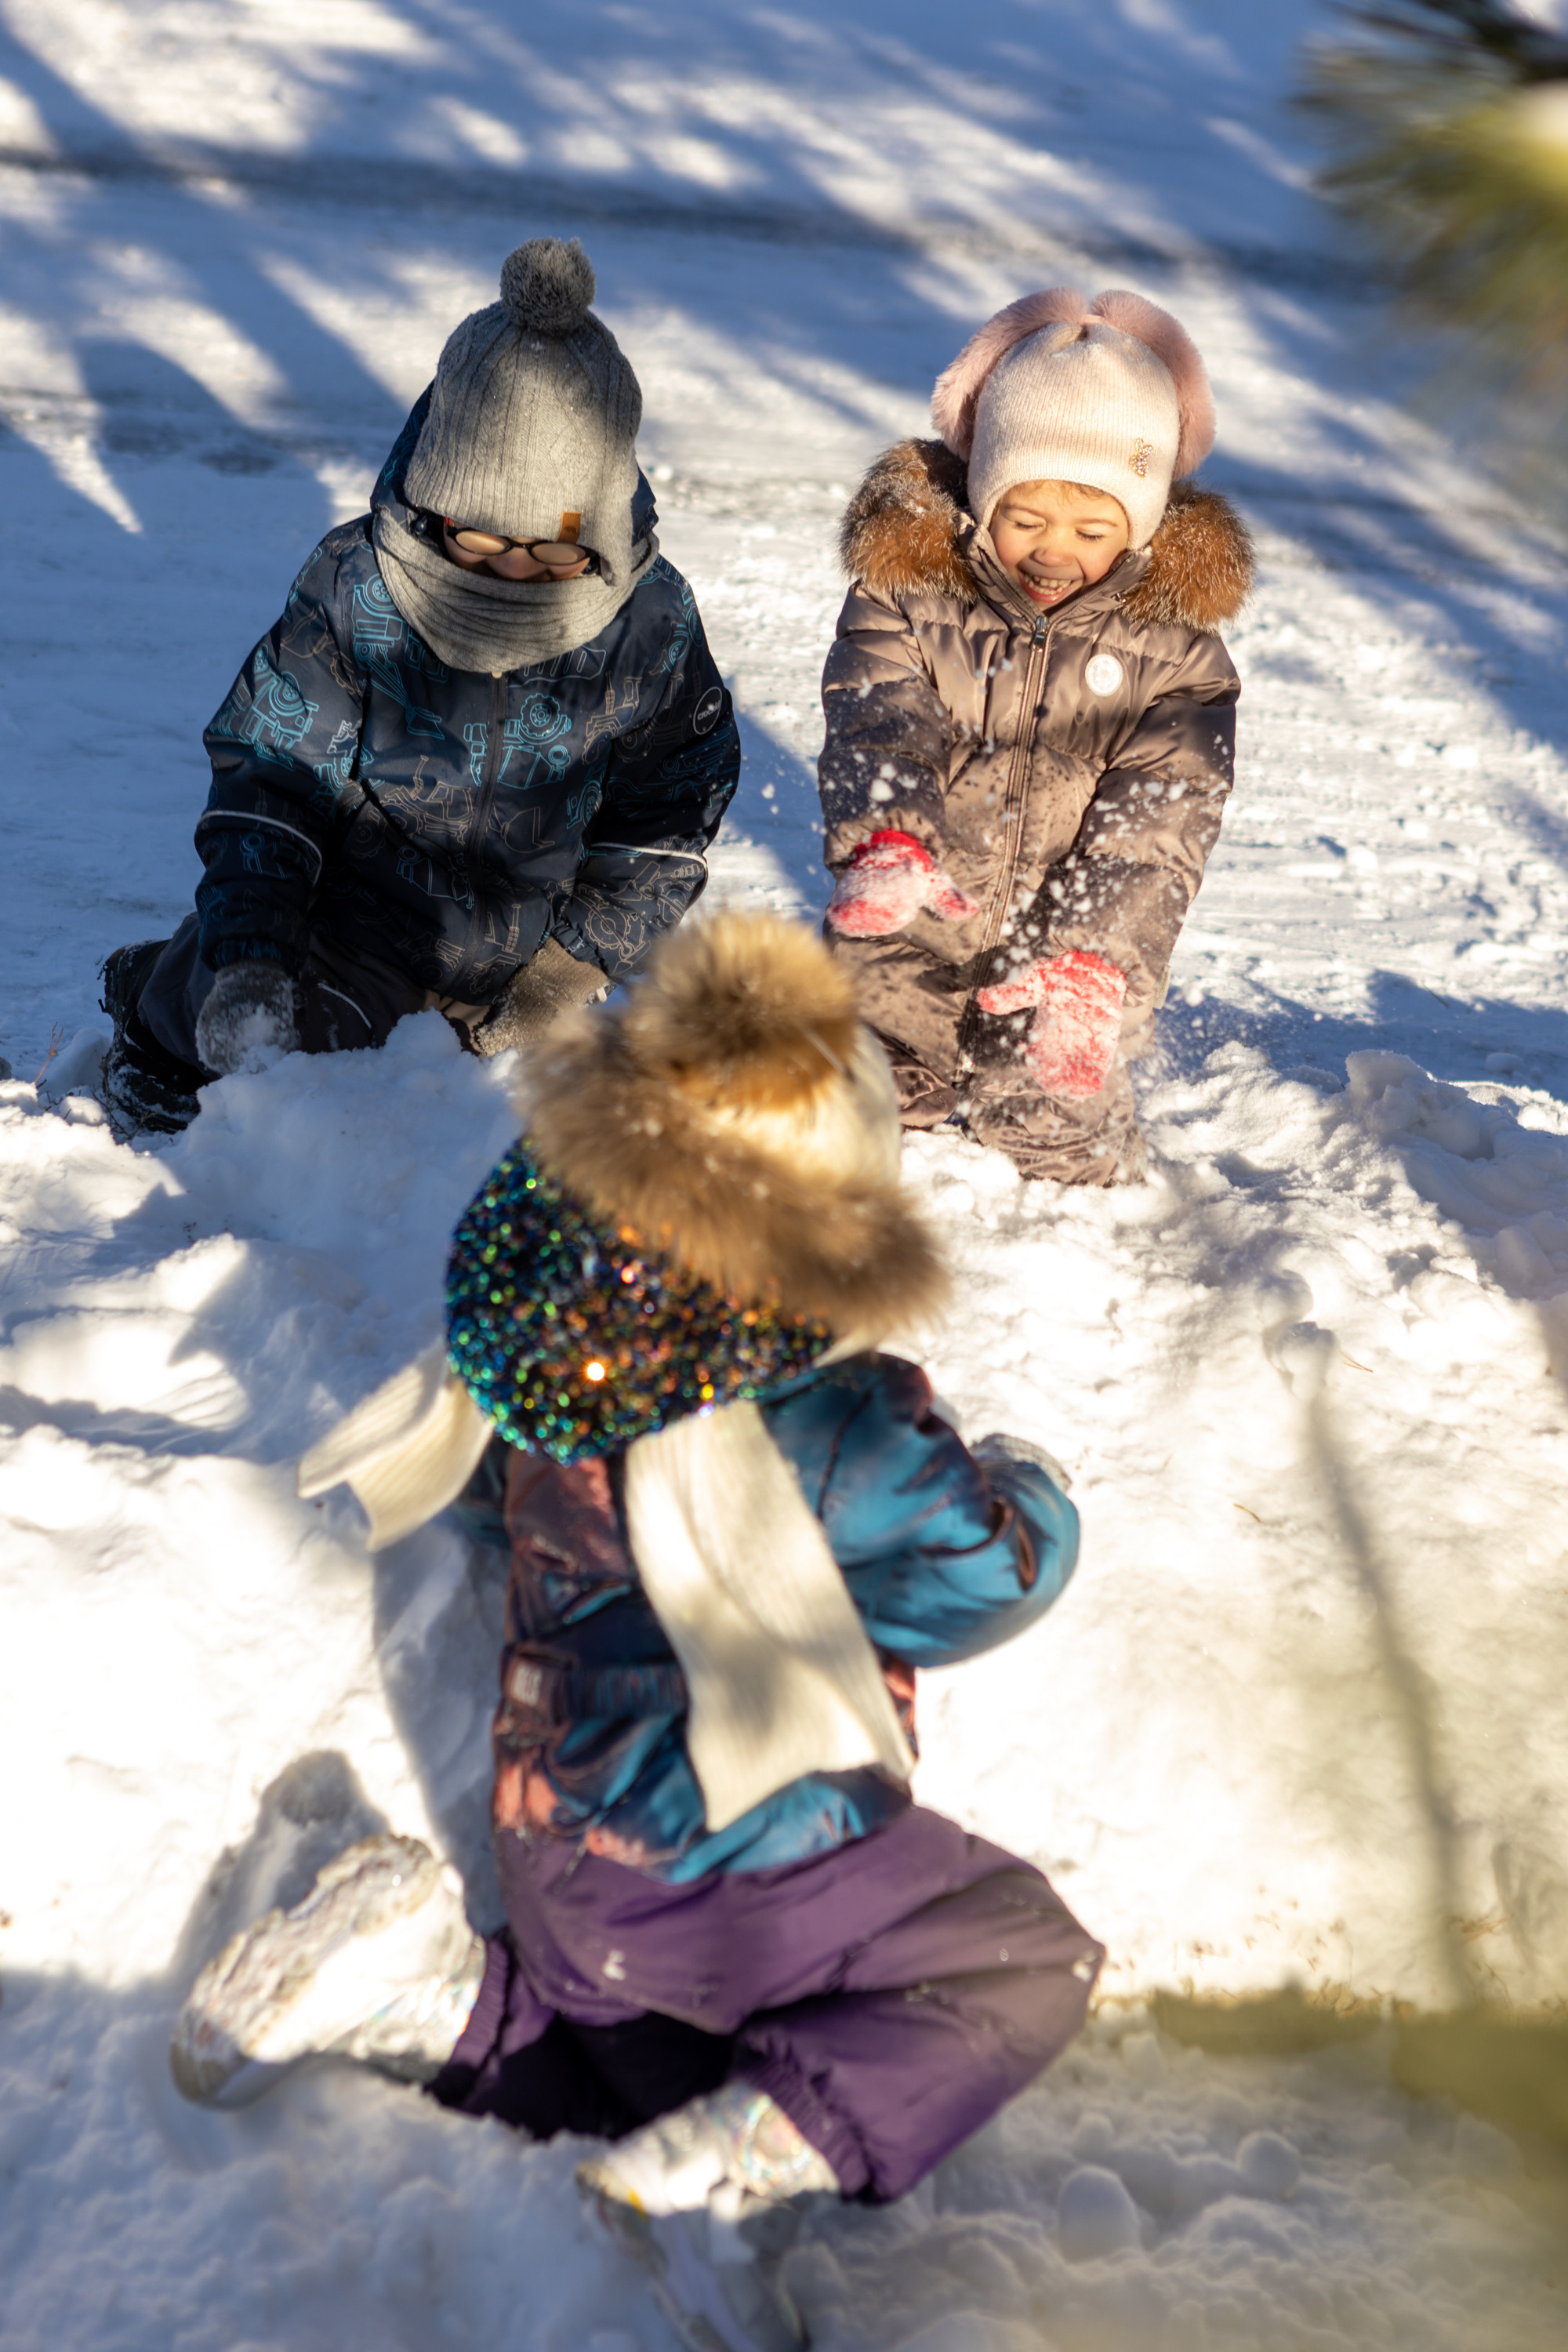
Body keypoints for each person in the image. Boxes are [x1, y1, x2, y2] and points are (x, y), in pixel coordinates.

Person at [169, 913, 1103, 2352]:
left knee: (628, 2066)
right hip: (743, 1856)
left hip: (566, 1863)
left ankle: (433, 1992)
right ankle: (724, 2191)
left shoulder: (554, 1369)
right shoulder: (834, 1421)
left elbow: (485, 1515)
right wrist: (1026, 1477)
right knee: (1019, 1957)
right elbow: (987, 1578)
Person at [100, 236, 739, 1134]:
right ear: (435, 501)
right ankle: (160, 998)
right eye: (478, 539)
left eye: (551, 549)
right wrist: (250, 959)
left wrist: (569, 969)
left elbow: (665, 823)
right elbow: (271, 783)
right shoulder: (358, 586)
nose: (511, 572)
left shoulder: (649, 626)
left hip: (532, 956)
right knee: (286, 1061)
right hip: (353, 933)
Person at [818, 286, 1253, 1185]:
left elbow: (1157, 828)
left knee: (1054, 1126)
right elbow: (876, 720)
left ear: (1141, 524)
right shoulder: (907, 596)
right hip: (912, 928)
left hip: (1068, 966)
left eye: (1092, 529)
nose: (1054, 552)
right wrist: (890, 841)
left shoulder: (1173, 653)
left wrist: (1093, 959)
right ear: (981, 499)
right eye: (1026, 519)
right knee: (854, 1106)